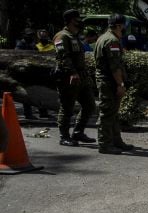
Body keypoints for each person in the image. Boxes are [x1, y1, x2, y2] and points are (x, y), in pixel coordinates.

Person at [52, 9, 97, 146]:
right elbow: (63, 57)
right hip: (68, 77)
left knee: (90, 105)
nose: (81, 21)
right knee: (67, 107)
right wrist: (72, 72)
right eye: (78, 19)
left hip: (82, 77)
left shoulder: (75, 36)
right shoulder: (61, 36)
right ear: (72, 20)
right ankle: (64, 136)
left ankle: (78, 132)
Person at [94, 14, 133, 155]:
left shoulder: (104, 38)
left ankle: (116, 141)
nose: (125, 28)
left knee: (113, 113)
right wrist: (120, 84)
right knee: (107, 113)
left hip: (107, 80)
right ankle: (104, 144)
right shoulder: (111, 41)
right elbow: (115, 66)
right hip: (109, 81)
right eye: (123, 25)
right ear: (118, 26)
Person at [15, 28, 50, 119]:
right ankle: (28, 114)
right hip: (24, 73)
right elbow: (18, 57)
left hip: (34, 72)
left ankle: (43, 112)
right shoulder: (20, 44)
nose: (30, 37)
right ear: (24, 35)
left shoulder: (33, 44)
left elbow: (38, 56)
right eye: (29, 35)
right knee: (27, 94)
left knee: (40, 92)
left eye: (31, 35)